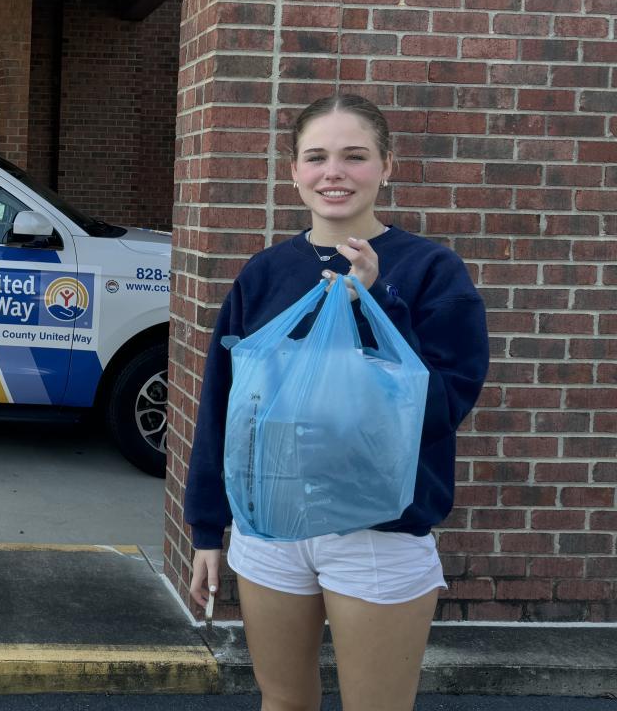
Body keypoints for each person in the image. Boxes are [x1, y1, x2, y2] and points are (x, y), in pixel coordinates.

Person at [184, 93, 489, 711]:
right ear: (294, 170)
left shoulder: (431, 272)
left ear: (386, 165)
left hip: (379, 533)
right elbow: (226, 408)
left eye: (355, 156)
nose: (334, 173)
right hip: (272, 528)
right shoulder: (264, 275)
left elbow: (439, 409)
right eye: (316, 157)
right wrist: (208, 527)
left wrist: (376, 305)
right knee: (283, 702)